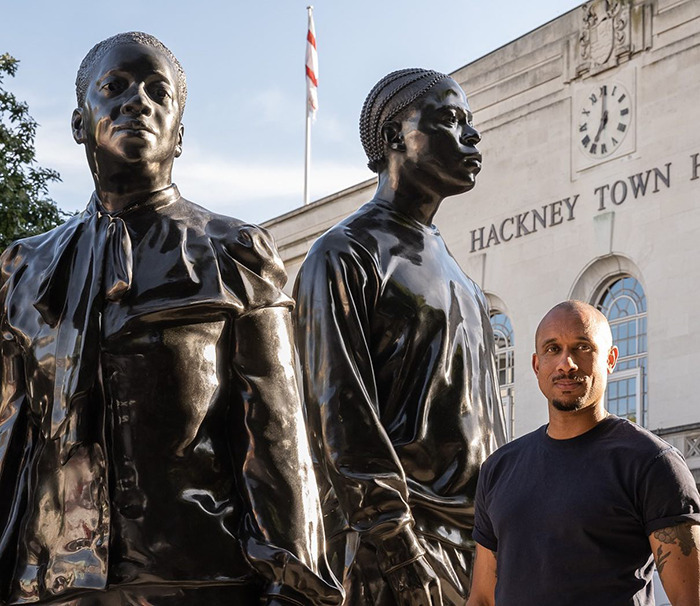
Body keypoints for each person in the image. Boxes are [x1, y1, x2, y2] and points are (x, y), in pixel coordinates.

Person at [0, 32, 341, 606]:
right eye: (114, 87)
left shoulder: (234, 252)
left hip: (197, 580)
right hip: (48, 582)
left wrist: (296, 586)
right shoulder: (22, 269)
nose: (138, 101)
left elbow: (279, 440)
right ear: (80, 122)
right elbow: (8, 437)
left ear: (179, 135)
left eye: (159, 92)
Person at [293, 68, 507, 606]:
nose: (471, 136)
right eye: (449, 120)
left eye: (471, 122)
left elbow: (489, 425)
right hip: (391, 555)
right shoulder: (344, 255)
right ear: (395, 136)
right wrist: (398, 550)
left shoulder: (465, 281)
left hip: (478, 552)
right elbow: (337, 418)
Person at [467, 300, 700, 606]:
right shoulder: (498, 469)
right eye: (553, 349)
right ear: (537, 365)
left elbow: (690, 599)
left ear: (610, 359)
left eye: (582, 347)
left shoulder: (652, 463)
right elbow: (483, 598)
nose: (566, 363)